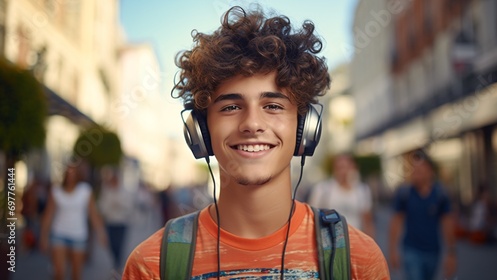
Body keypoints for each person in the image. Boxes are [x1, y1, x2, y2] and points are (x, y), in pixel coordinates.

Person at [123, 5, 389, 279]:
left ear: (305, 128)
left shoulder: (358, 260)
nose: (252, 123)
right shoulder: (151, 265)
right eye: (230, 107)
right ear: (202, 131)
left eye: (273, 106)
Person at [389, 149, 456, 280]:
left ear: (430, 171)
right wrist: (393, 250)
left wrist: (451, 253)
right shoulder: (405, 194)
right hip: (411, 251)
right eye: (413, 170)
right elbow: (396, 222)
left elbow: (447, 223)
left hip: (433, 251)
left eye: (420, 170)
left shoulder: (440, 194)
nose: (415, 174)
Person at [40, 165, 107, 280]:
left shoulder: (85, 191)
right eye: (68, 174)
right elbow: (48, 214)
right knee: (59, 273)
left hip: (78, 235)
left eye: (73, 174)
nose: (70, 177)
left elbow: (93, 214)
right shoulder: (56, 191)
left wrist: (101, 232)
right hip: (59, 233)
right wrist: (43, 236)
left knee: (76, 274)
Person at [308, 153, 376, 238]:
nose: (343, 171)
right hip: (329, 241)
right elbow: (312, 217)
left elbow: (367, 221)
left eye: (346, 167)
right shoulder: (323, 189)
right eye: (340, 167)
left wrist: (370, 245)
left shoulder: (362, 190)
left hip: (356, 240)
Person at [98, 167, 133, 271]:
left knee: (119, 244)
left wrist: (118, 204)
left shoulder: (125, 191)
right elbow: (102, 206)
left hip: (121, 222)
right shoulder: (106, 191)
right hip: (110, 222)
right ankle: (116, 262)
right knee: (112, 244)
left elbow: (129, 206)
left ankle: (117, 264)